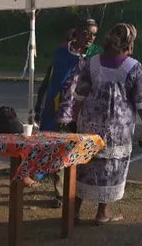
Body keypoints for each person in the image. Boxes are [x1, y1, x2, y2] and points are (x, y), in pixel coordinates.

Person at [67, 23, 142, 225]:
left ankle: (75, 212)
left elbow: (79, 95)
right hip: (117, 129)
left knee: (84, 165)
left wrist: (74, 120)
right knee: (111, 168)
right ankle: (102, 213)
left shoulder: (92, 62)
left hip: (89, 126)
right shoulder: (133, 67)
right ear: (129, 42)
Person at [37, 18, 101, 207]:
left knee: (78, 152)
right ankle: (59, 194)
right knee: (58, 150)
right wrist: (40, 105)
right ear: (78, 32)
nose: (91, 37)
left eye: (94, 34)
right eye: (88, 33)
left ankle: (74, 192)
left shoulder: (96, 55)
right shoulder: (63, 51)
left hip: (83, 111)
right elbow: (52, 79)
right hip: (61, 109)